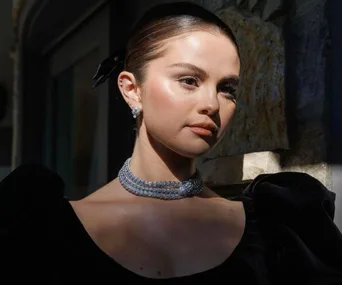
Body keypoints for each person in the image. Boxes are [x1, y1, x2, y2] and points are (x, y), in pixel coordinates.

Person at [1, 2, 342, 284]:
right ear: (131, 89)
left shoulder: (277, 226)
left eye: (228, 89)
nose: (212, 103)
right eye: (189, 80)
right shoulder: (41, 229)